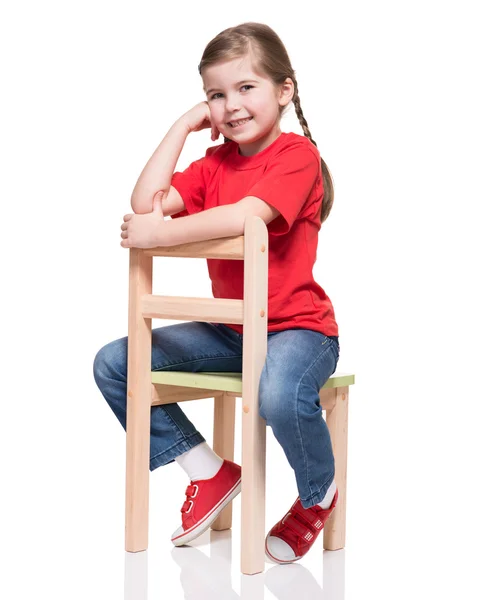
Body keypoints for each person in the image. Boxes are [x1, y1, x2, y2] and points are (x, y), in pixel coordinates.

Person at [93, 21, 340, 564]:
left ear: (284, 90)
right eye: (215, 95)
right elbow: (145, 201)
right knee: (116, 363)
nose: (230, 106)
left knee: (277, 393)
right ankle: (208, 470)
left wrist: (159, 234)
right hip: (231, 328)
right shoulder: (213, 163)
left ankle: (318, 491)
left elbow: (245, 216)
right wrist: (183, 125)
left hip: (298, 329)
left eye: (245, 88)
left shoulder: (295, 157)